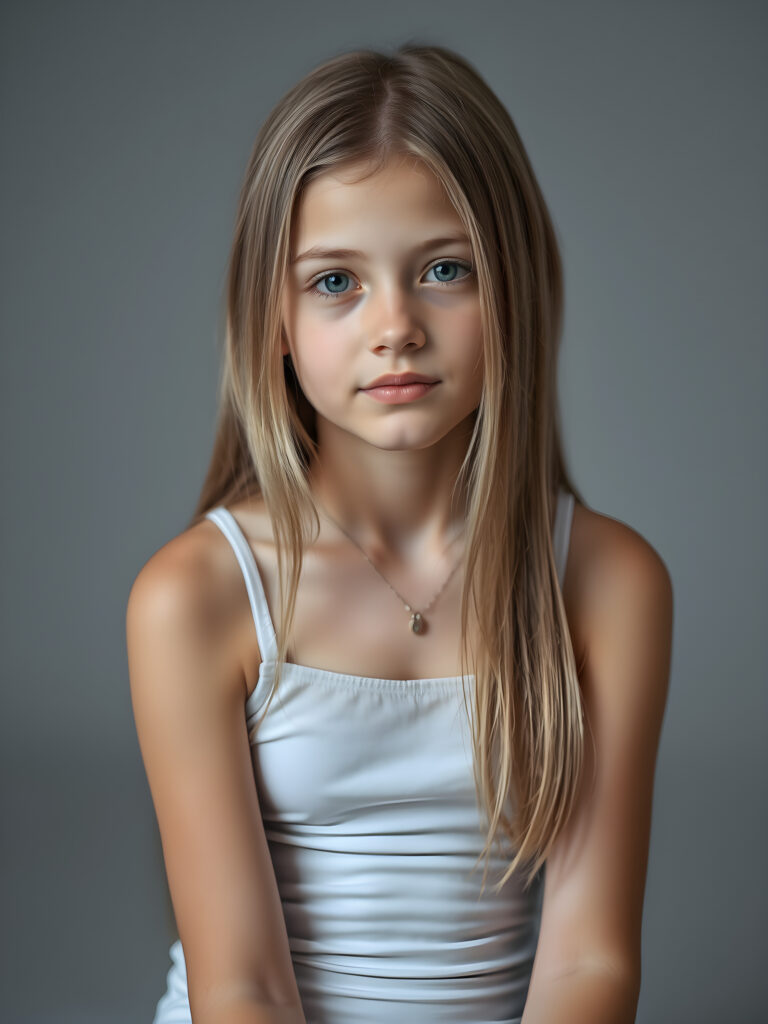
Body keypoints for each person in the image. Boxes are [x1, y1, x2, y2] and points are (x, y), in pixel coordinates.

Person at [126, 42, 673, 1024]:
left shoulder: (607, 581)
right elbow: (238, 984)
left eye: (446, 270)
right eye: (336, 282)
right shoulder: (195, 596)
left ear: (518, 286)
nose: (396, 327)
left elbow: (591, 964)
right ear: (274, 320)